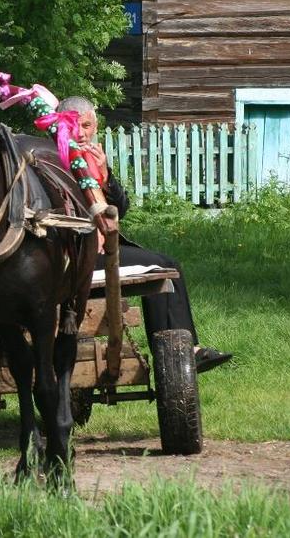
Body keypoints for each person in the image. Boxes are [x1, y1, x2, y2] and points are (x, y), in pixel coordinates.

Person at [57, 96, 232, 373]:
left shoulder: (92, 159)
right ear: (60, 127)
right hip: (74, 257)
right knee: (163, 267)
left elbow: (120, 210)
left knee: (168, 264)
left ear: (96, 126)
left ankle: (181, 351)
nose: (81, 133)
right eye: (74, 126)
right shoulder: (55, 161)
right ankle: (176, 355)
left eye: (87, 125)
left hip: (105, 251)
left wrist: (105, 175)